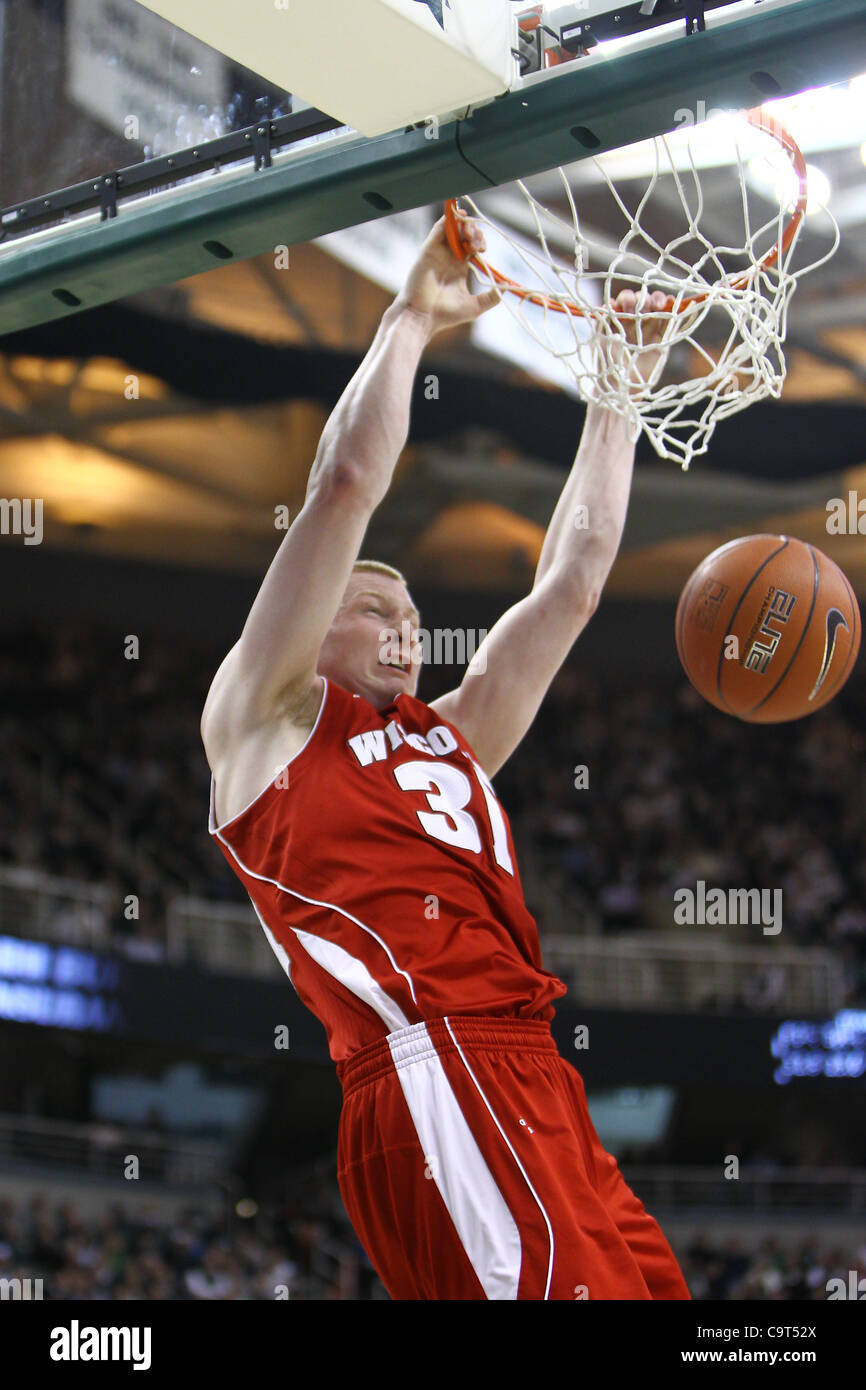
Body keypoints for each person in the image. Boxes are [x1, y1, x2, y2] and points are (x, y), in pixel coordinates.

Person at [201, 214, 690, 1300]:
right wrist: (412, 317)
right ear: (310, 620)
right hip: (431, 1066)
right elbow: (342, 487)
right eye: (375, 605)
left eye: (414, 611)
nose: (406, 623)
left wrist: (619, 387)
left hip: (534, 1071)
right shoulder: (265, 715)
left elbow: (570, 582)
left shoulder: (451, 736)